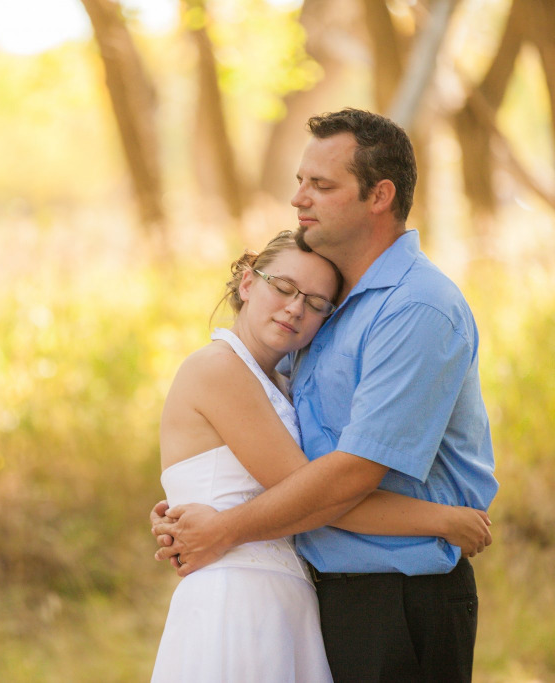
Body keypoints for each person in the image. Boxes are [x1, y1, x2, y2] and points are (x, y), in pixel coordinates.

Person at [152, 108, 498, 682]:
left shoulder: (414, 308)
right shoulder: (331, 312)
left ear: (378, 196)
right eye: (299, 182)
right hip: (322, 595)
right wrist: (188, 502)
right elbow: (271, 458)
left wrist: (225, 526)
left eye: (321, 184)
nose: (299, 198)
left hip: (401, 596)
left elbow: (350, 473)